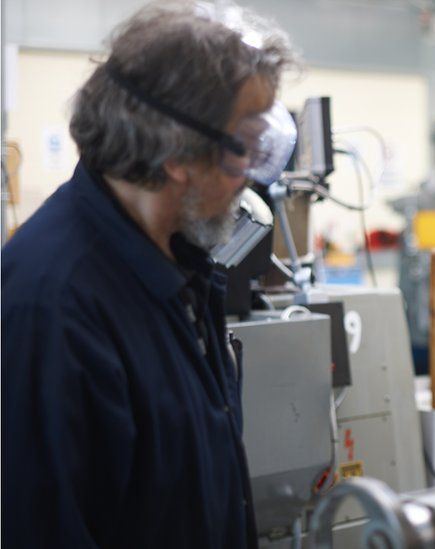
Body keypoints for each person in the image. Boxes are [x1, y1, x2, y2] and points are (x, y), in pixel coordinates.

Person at [1, 3, 297, 547]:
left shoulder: (181, 262)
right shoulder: (53, 305)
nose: (250, 181)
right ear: (177, 156)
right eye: (244, 150)